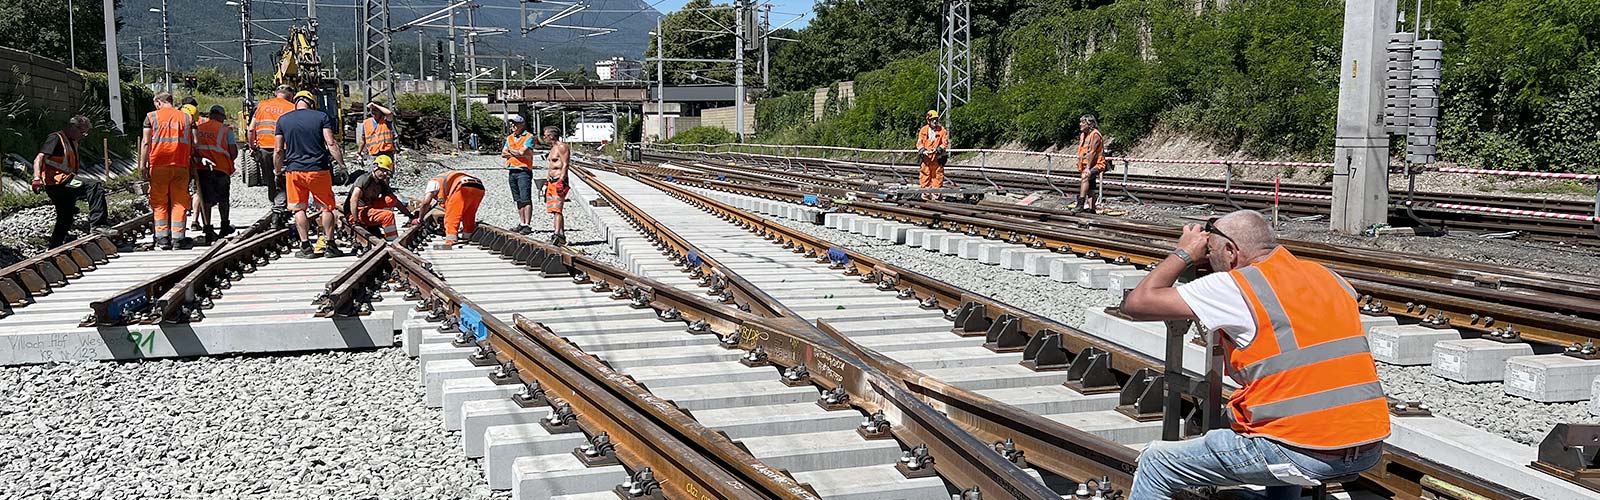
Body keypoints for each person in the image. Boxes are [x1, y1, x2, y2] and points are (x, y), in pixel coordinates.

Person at [1121, 210, 1388, 500]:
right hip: (1367, 447)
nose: (1208, 262)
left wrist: (1184, 253)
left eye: (1209, 253)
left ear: (1231, 251)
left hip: (1301, 450)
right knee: (1278, 427)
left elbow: (1137, 303)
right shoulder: (1329, 278)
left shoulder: (1236, 285)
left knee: (1157, 463)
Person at [273, 90, 346, 259]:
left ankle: (305, 247)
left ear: (296, 102)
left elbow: (278, 150)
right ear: (311, 103)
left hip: (294, 171)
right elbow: (331, 143)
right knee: (326, 207)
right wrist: (342, 166)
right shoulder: (321, 117)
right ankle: (330, 246)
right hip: (319, 170)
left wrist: (277, 172)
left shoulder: (283, 120)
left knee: (298, 209)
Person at [33, 115, 116, 247]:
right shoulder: (56, 138)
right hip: (60, 182)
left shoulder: (71, 141)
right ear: (73, 127)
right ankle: (98, 225)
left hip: (63, 182)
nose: (83, 135)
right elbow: (39, 157)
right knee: (93, 185)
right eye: (82, 132)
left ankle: (55, 246)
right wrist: (37, 178)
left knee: (65, 216)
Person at [139, 91, 197, 250]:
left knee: (159, 202)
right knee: (180, 202)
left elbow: (145, 142)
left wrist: (142, 165)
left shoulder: (151, 117)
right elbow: (195, 142)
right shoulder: (186, 117)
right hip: (180, 165)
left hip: (158, 165)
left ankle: (162, 239)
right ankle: (178, 239)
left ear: (158, 102)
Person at [249, 85, 296, 228]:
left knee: (270, 179)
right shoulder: (291, 107)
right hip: (284, 149)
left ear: (276, 93)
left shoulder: (262, 105)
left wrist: (252, 146)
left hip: (264, 148)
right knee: (282, 179)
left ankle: (276, 205)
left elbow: (251, 129)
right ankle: (280, 211)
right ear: (290, 95)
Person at [191, 105, 237, 242]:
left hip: (202, 169)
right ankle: (224, 225)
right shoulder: (225, 130)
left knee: (206, 199)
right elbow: (233, 152)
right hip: (221, 169)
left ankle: (208, 227)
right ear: (220, 116)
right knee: (223, 199)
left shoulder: (199, 129)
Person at [346, 155, 414, 242]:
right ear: (375, 167)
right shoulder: (364, 180)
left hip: (368, 206)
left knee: (391, 199)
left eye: (387, 172)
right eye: (383, 170)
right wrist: (356, 221)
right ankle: (392, 240)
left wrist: (410, 215)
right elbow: (353, 200)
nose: (385, 174)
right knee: (388, 215)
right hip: (357, 211)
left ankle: (380, 225)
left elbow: (395, 201)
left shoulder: (381, 182)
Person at [413, 170, 485, 246]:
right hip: (479, 187)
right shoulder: (446, 181)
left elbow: (426, 202)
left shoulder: (433, 182)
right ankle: (468, 236)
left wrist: (420, 219)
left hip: (461, 187)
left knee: (452, 216)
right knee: (469, 214)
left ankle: (451, 239)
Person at [500, 115, 537, 234]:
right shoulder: (510, 137)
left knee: (526, 198)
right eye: (512, 124)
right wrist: (517, 153)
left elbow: (523, 151)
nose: (513, 126)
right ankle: (522, 222)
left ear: (522, 125)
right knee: (518, 199)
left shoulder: (529, 137)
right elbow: (503, 153)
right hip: (512, 169)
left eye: (515, 124)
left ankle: (527, 224)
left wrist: (511, 151)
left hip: (523, 170)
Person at [542, 125, 570, 245]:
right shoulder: (552, 148)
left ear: (552, 136)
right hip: (552, 180)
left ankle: (557, 233)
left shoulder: (561, 147)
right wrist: (546, 182)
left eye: (546, 135)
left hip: (559, 180)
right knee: (553, 209)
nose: (545, 137)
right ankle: (560, 234)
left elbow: (565, 164)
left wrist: (561, 180)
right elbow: (551, 166)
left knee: (557, 208)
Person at [1075, 114, 1108, 213]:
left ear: (1090, 124)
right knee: (1090, 188)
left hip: (1097, 164)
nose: (1080, 124)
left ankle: (1080, 204)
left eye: (1083, 122)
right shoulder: (1084, 135)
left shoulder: (1095, 134)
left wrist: (1088, 168)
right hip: (1086, 164)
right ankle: (1092, 209)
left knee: (1085, 177)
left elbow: (1092, 152)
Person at [915, 110, 949, 201]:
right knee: (925, 174)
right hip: (926, 158)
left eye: (936, 119)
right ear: (928, 121)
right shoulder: (924, 130)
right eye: (933, 119)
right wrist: (923, 150)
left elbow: (945, 142)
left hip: (937, 158)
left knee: (937, 175)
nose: (935, 121)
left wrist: (938, 149)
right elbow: (919, 142)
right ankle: (925, 193)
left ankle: (936, 193)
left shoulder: (942, 130)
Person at [357, 101, 398, 166]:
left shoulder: (386, 121)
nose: (373, 112)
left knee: (386, 174)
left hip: (386, 153)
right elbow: (363, 140)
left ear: (380, 111)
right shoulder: (366, 123)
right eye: (372, 110)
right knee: (372, 174)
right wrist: (359, 152)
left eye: (376, 110)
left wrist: (375, 105)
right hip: (373, 154)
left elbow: (389, 113)